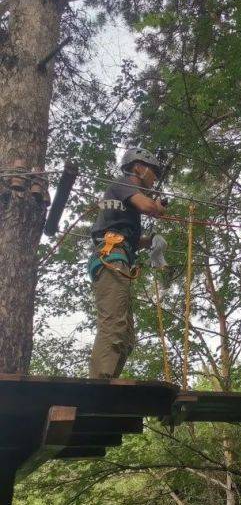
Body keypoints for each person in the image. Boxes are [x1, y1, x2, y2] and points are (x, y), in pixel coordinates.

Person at [88, 148, 167, 378]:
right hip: (111, 258)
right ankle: (98, 389)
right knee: (113, 326)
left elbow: (131, 239)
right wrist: (158, 207)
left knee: (126, 337)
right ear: (138, 168)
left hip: (120, 258)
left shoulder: (125, 203)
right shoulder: (121, 184)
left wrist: (151, 241)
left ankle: (108, 380)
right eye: (153, 172)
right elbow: (148, 206)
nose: (154, 178)